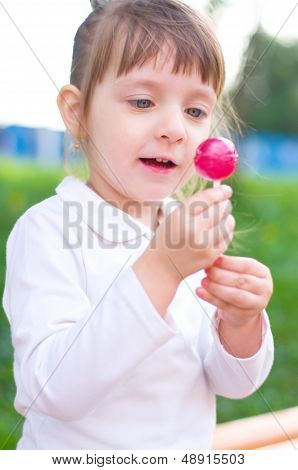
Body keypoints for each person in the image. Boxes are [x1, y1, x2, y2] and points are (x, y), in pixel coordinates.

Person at [2, 0, 274, 450]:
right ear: (76, 112)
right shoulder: (48, 232)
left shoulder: (186, 231)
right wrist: (162, 269)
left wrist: (241, 325)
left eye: (195, 111)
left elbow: (232, 383)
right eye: (143, 101)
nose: (174, 129)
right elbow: (50, 389)